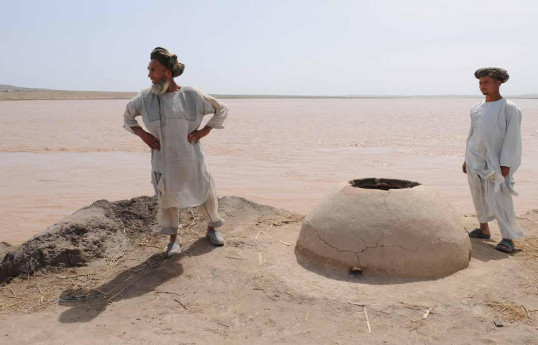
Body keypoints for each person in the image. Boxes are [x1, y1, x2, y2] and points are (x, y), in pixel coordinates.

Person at [123, 47, 228, 257]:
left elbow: (221, 109)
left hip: (191, 155)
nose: (149, 75)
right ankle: (174, 240)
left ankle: (212, 228)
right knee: (166, 195)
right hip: (162, 158)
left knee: (205, 189)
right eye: (149, 69)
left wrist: (204, 131)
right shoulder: (145, 98)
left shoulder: (191, 95)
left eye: (154, 70)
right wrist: (143, 135)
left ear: (167, 73)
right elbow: (127, 118)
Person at [462, 67, 524, 253]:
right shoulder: (476, 108)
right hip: (474, 159)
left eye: (486, 82)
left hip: (496, 162)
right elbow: (472, 135)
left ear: (499, 83)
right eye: (480, 83)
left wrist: (506, 163)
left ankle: (508, 238)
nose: (482, 86)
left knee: (500, 198)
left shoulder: (509, 108)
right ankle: (484, 230)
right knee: (478, 194)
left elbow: (512, 138)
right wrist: (466, 159)